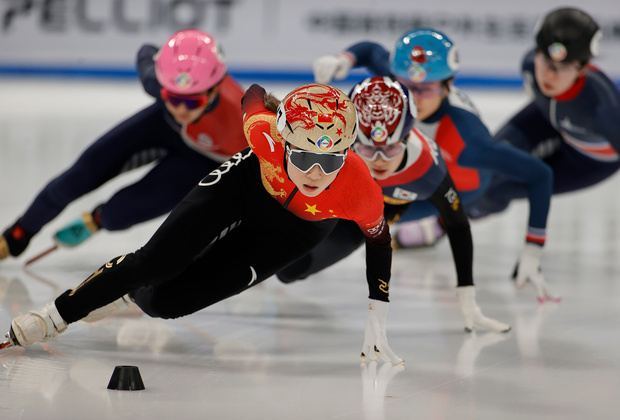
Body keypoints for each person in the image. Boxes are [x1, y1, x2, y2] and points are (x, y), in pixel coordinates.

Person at [1, 83, 403, 365]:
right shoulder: (263, 134)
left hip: (295, 231)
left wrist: (377, 315)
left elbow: (380, 241)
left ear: (348, 153)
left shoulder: (359, 188)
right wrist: (273, 105)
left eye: (331, 160)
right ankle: (56, 314)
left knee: (166, 303)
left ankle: (127, 295)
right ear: (283, 143)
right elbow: (254, 95)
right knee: (156, 262)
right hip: (246, 184)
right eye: (302, 158)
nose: (315, 173)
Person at [312, 28, 557, 302]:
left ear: (447, 85)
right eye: (406, 85)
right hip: (408, 165)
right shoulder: (399, 84)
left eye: (425, 89)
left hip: (455, 189)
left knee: (352, 218)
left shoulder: (469, 142)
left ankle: (439, 223)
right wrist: (343, 59)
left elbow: (540, 175)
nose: (413, 97)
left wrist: (533, 249)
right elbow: (370, 50)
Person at [278, 76, 510, 333]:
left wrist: (468, 297)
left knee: (291, 270)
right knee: (279, 252)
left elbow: (457, 225)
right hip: (331, 194)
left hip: (373, 211)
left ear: (408, 135)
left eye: (390, 149)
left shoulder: (427, 169)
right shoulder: (331, 140)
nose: (378, 161)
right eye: (366, 149)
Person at [0, 29, 247, 263]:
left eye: (193, 102)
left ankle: (96, 220)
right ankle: (16, 236)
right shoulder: (156, 82)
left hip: (200, 161)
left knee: (117, 215)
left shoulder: (241, 120)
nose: (181, 109)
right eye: (173, 98)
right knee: (76, 179)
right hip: (161, 126)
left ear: (214, 90)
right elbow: (146, 50)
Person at [467, 8, 620, 260]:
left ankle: (443, 225)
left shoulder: (603, 110)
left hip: (589, 161)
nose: (549, 75)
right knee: (485, 163)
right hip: (547, 118)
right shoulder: (529, 67)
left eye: (564, 67)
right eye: (546, 62)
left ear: (583, 69)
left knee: (497, 191)